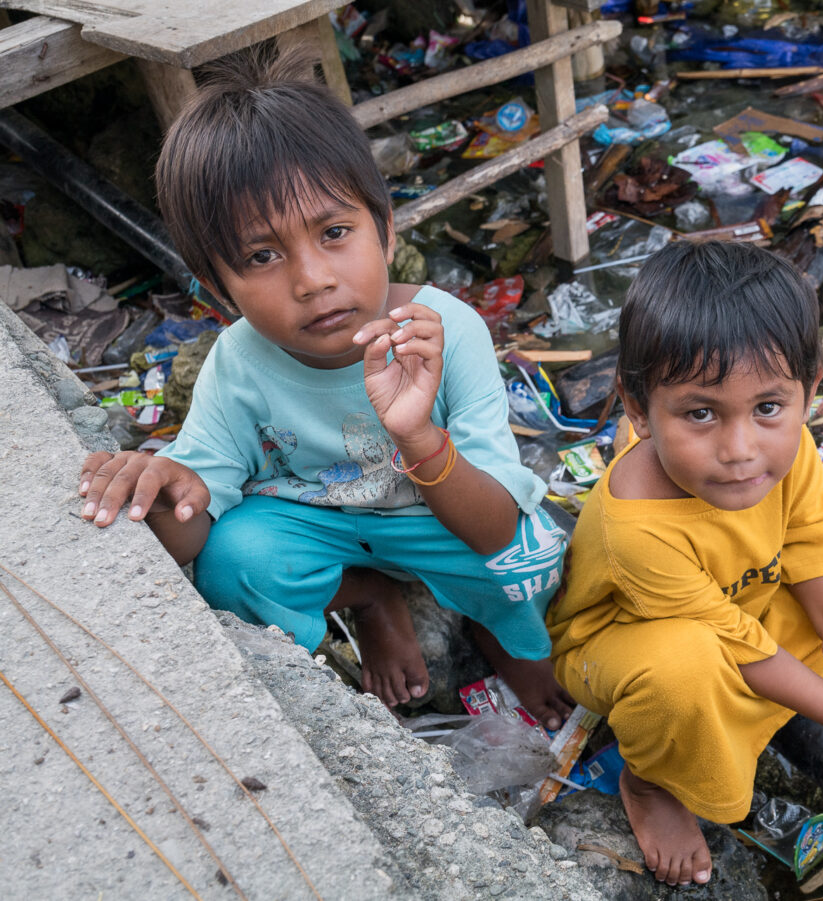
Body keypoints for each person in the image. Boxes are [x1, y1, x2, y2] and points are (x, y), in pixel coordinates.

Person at [75, 50, 573, 727]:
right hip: (319, 529)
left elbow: (495, 530)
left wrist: (418, 435)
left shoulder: (443, 331)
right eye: (262, 256)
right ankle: (369, 600)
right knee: (233, 558)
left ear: (386, 229)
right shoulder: (237, 363)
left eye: (334, 232)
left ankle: (500, 634)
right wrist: (165, 494)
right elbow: (187, 542)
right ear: (219, 290)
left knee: (531, 557)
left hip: (433, 514)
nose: (312, 278)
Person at [546, 241, 823, 886]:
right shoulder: (635, 527)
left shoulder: (790, 444)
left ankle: (739, 722)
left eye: (768, 409)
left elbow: (808, 533)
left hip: (735, 609)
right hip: (626, 645)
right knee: (684, 673)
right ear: (638, 409)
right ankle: (650, 782)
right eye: (701, 413)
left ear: (808, 392)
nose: (741, 450)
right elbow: (736, 646)